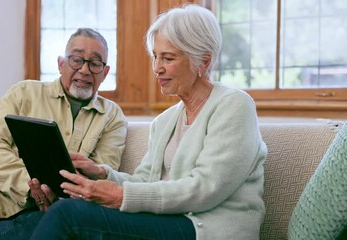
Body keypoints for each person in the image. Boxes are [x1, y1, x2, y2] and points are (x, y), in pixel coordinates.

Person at [29, 4, 267, 240]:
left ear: (203, 62)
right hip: (167, 221)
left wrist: (119, 196)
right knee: (66, 211)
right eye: (155, 56)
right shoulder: (165, 121)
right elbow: (145, 182)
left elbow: (205, 188)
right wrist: (102, 174)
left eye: (168, 58)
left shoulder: (234, 105)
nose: (156, 68)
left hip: (207, 230)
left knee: (68, 215)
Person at [0, 28, 128, 240]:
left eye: (95, 63)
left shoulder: (112, 116)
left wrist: (55, 194)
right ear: (61, 63)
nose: (84, 70)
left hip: (46, 210)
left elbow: (101, 176)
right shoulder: (24, 93)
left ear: (105, 71)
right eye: (76, 59)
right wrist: (29, 186)